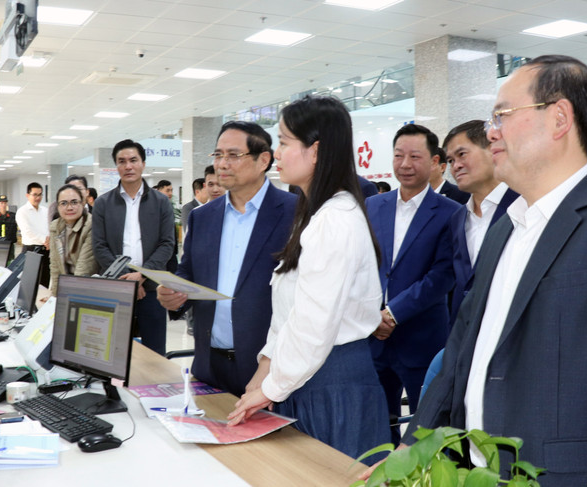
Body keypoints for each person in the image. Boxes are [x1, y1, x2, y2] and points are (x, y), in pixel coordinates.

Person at [401, 55, 587, 486]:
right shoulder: (506, 228)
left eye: (503, 114)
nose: (492, 131)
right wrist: (412, 448)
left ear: (560, 118)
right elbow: (461, 351)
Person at [225, 96, 389, 460]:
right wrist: (264, 370)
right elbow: (292, 313)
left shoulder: (336, 219)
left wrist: (270, 388)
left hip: (333, 380)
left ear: (315, 151)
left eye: (283, 142)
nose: (276, 152)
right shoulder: (315, 214)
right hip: (307, 374)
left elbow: (314, 325)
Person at [156, 121, 297, 396]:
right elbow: (189, 271)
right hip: (210, 365)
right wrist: (174, 292)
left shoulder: (294, 214)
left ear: (263, 160)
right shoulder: (203, 216)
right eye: (218, 155)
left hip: (268, 370)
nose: (222, 163)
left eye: (233, 155)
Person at [365, 123, 459, 444]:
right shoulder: (372, 206)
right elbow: (360, 266)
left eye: (415, 157)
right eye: (398, 155)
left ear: (435, 162)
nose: (404, 164)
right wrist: (372, 313)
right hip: (372, 337)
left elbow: (441, 276)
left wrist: (391, 314)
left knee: (426, 430)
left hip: (422, 339)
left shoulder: (451, 213)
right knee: (377, 426)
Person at [92, 139, 175, 355]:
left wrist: (141, 276)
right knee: (114, 352)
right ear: (116, 166)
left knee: (155, 352)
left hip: (152, 289)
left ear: (143, 164)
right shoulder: (103, 203)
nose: (128, 166)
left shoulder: (161, 202)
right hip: (116, 288)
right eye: (122, 161)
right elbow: (99, 246)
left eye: (133, 160)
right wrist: (127, 279)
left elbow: (167, 244)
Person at [443, 120, 518, 329]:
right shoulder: (458, 218)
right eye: (450, 160)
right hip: (464, 338)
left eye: (462, 154)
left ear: (492, 149)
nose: (455, 165)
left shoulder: (522, 208)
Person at [48, 184, 98, 294]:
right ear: (58, 207)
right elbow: (55, 266)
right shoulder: (55, 227)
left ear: (83, 203)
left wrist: (67, 300)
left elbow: (83, 269)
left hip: (87, 289)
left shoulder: (91, 225)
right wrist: (54, 297)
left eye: (74, 202)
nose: (69, 207)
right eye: (64, 203)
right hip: (67, 287)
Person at [17, 182, 50, 287]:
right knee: (30, 284)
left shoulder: (45, 211)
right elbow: (28, 232)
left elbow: (50, 228)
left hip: (46, 251)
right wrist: (46, 239)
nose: (38, 197)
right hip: (31, 251)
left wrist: (50, 240)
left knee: (44, 282)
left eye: (40, 194)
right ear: (27, 195)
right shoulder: (22, 211)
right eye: (34, 194)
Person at [0, 194, 17, 259]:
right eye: (1, 203)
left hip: (10, 244)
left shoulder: (12, 216)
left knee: (10, 261)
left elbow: (14, 230)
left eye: (5, 203)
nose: (3, 205)